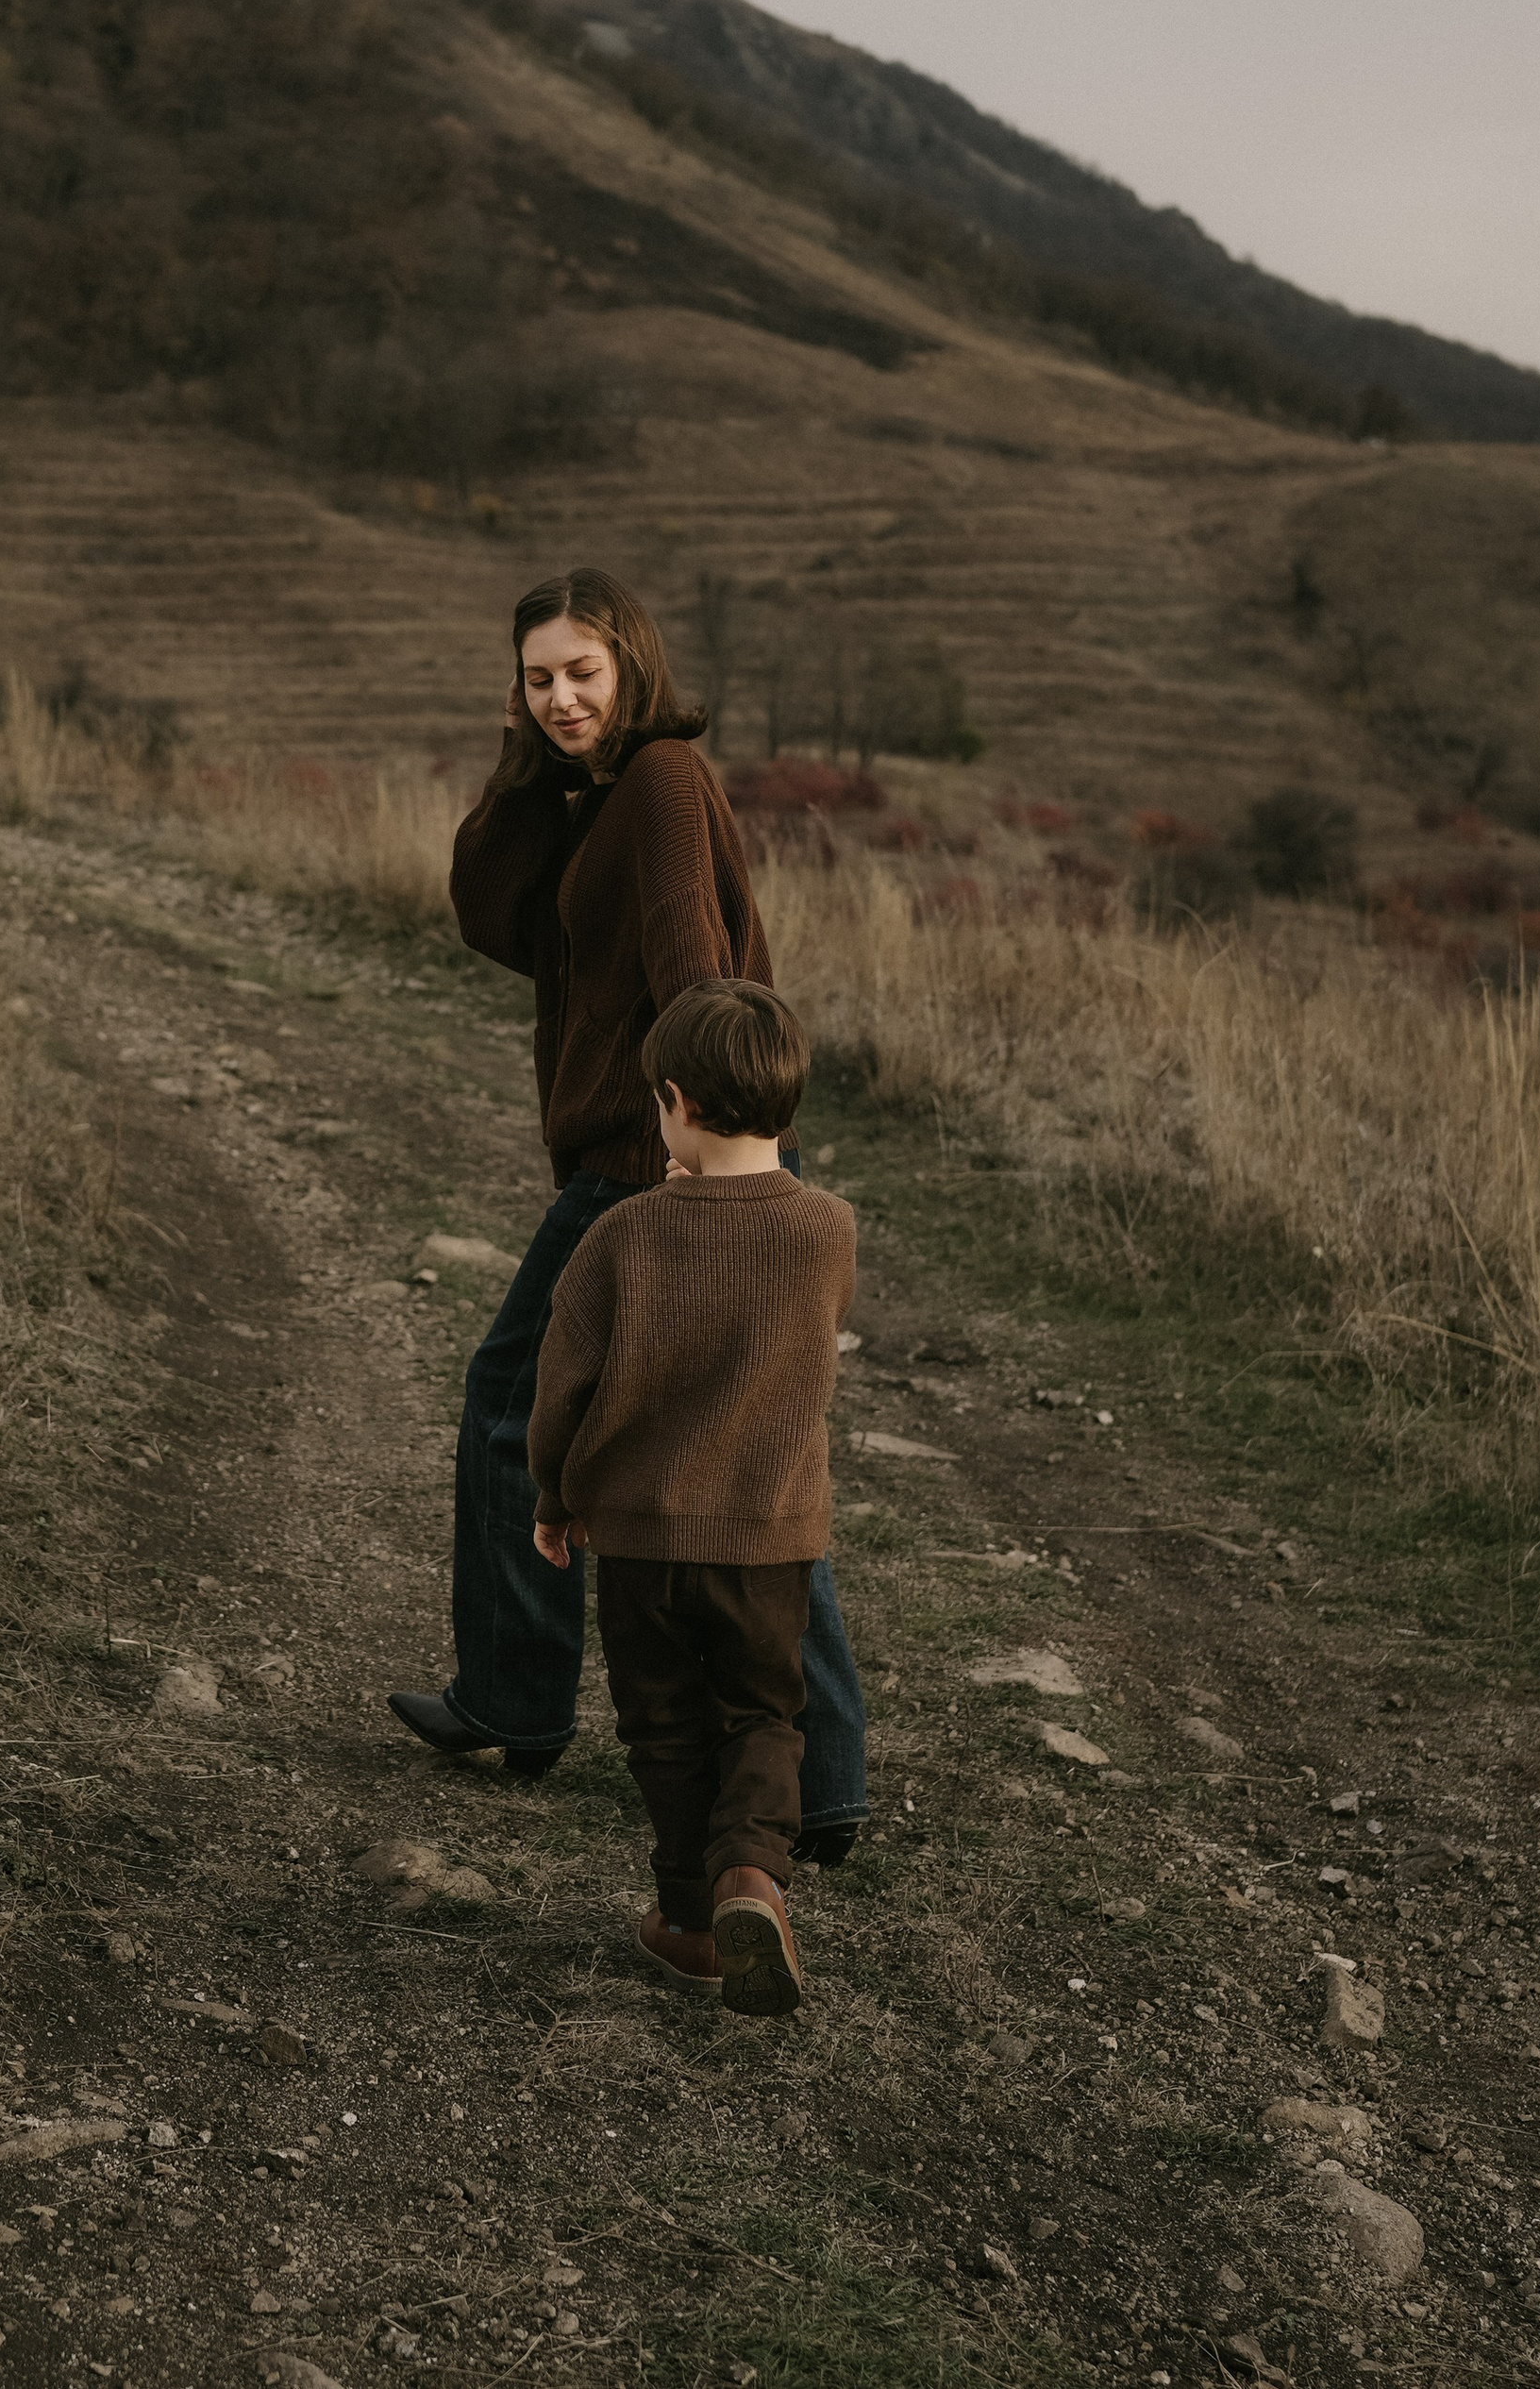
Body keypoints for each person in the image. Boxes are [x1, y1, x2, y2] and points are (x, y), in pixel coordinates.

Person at [387, 567, 868, 1861]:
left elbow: (689, 957)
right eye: (536, 679)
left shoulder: (656, 782)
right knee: (742, 1445)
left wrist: (699, 1145)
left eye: (581, 674)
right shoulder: (589, 798)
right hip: (667, 1143)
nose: (559, 698)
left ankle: (517, 1697)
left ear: (630, 666)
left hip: (660, 1152)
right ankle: (819, 1784)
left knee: (512, 1396)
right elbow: (489, 917)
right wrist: (522, 765)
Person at [528, 978, 850, 2013]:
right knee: (762, 1712)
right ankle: (750, 1872)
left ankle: (683, 1916)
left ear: (676, 1100)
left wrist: (553, 1492)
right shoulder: (826, 1229)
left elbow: (561, 1381)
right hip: (768, 1539)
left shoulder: (624, 1233)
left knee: (662, 1725)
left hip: (641, 1540)